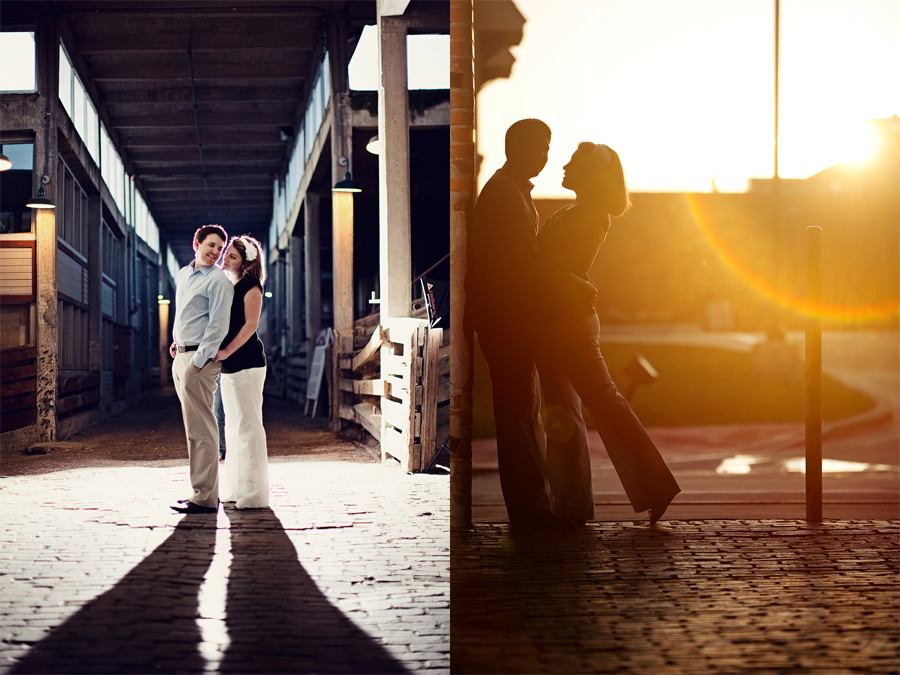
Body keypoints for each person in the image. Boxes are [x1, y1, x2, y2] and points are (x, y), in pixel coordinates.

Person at [535, 142, 681, 524]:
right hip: (555, 323)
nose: (564, 165)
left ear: (591, 175)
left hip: (569, 325)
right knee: (563, 414)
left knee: (606, 405)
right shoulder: (574, 210)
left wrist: (559, 276)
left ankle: (657, 486)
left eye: (574, 162)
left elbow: (550, 267)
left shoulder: (592, 215)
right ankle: (573, 506)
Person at [467, 119, 592, 530]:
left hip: (511, 321)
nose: (545, 155)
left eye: (547, 147)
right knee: (517, 416)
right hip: (507, 324)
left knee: (523, 413)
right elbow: (520, 263)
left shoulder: (513, 190)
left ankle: (532, 507)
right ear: (515, 147)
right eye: (539, 146)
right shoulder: (504, 194)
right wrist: (568, 281)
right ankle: (530, 511)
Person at [170, 225, 234, 514]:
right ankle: (201, 491)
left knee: (203, 429)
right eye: (210, 245)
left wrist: (199, 359)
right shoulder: (184, 274)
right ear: (196, 243)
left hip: (200, 361)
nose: (215, 252)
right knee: (193, 429)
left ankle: (206, 498)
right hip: (182, 356)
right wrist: (177, 343)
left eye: (220, 248)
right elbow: (183, 312)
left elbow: (218, 325)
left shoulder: (218, 280)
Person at [214, 235, 269, 509]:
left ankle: (255, 494)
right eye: (226, 254)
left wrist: (225, 352)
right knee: (232, 428)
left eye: (232, 257)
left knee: (249, 427)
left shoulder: (251, 286)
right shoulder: (228, 284)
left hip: (248, 365)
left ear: (245, 262)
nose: (225, 258)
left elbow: (249, 327)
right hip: (230, 368)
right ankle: (235, 488)